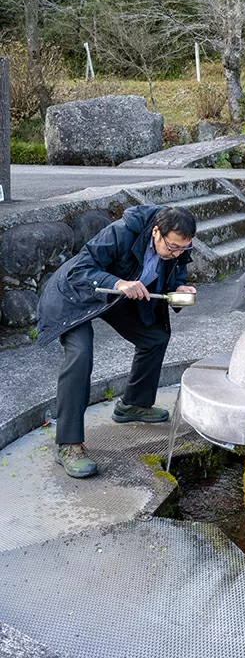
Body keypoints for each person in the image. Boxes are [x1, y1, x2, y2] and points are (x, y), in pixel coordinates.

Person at [37, 204, 197, 479]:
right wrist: (120, 282)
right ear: (156, 232)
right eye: (173, 247)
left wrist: (179, 288)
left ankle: (133, 404)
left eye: (184, 248)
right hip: (74, 296)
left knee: (155, 337)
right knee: (80, 354)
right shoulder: (122, 232)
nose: (178, 253)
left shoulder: (178, 245)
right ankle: (68, 444)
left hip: (115, 295)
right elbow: (81, 269)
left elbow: (175, 270)